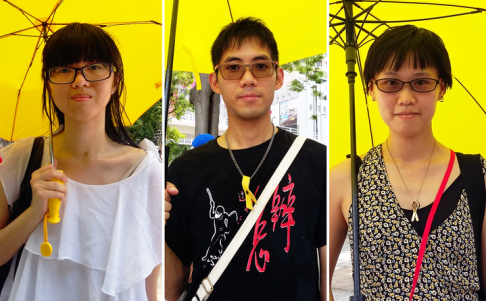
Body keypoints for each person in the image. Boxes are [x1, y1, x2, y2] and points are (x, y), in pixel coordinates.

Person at [165, 18, 327, 301]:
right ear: (215, 81)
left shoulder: (316, 161)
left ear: (278, 77)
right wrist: (152, 225)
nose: (248, 78)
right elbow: (171, 288)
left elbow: (326, 284)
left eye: (261, 66)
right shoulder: (183, 171)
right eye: (233, 67)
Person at [0, 23, 162, 301]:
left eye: (95, 67)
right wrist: (33, 212)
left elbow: (147, 272)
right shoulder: (24, 157)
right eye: (64, 69)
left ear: (115, 80)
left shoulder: (145, 171)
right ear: (48, 85)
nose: (80, 80)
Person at [329, 25, 486, 300]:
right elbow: (316, 282)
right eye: (390, 83)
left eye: (421, 82)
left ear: (442, 88)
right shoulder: (346, 179)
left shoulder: (478, 176)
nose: (406, 98)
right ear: (371, 89)